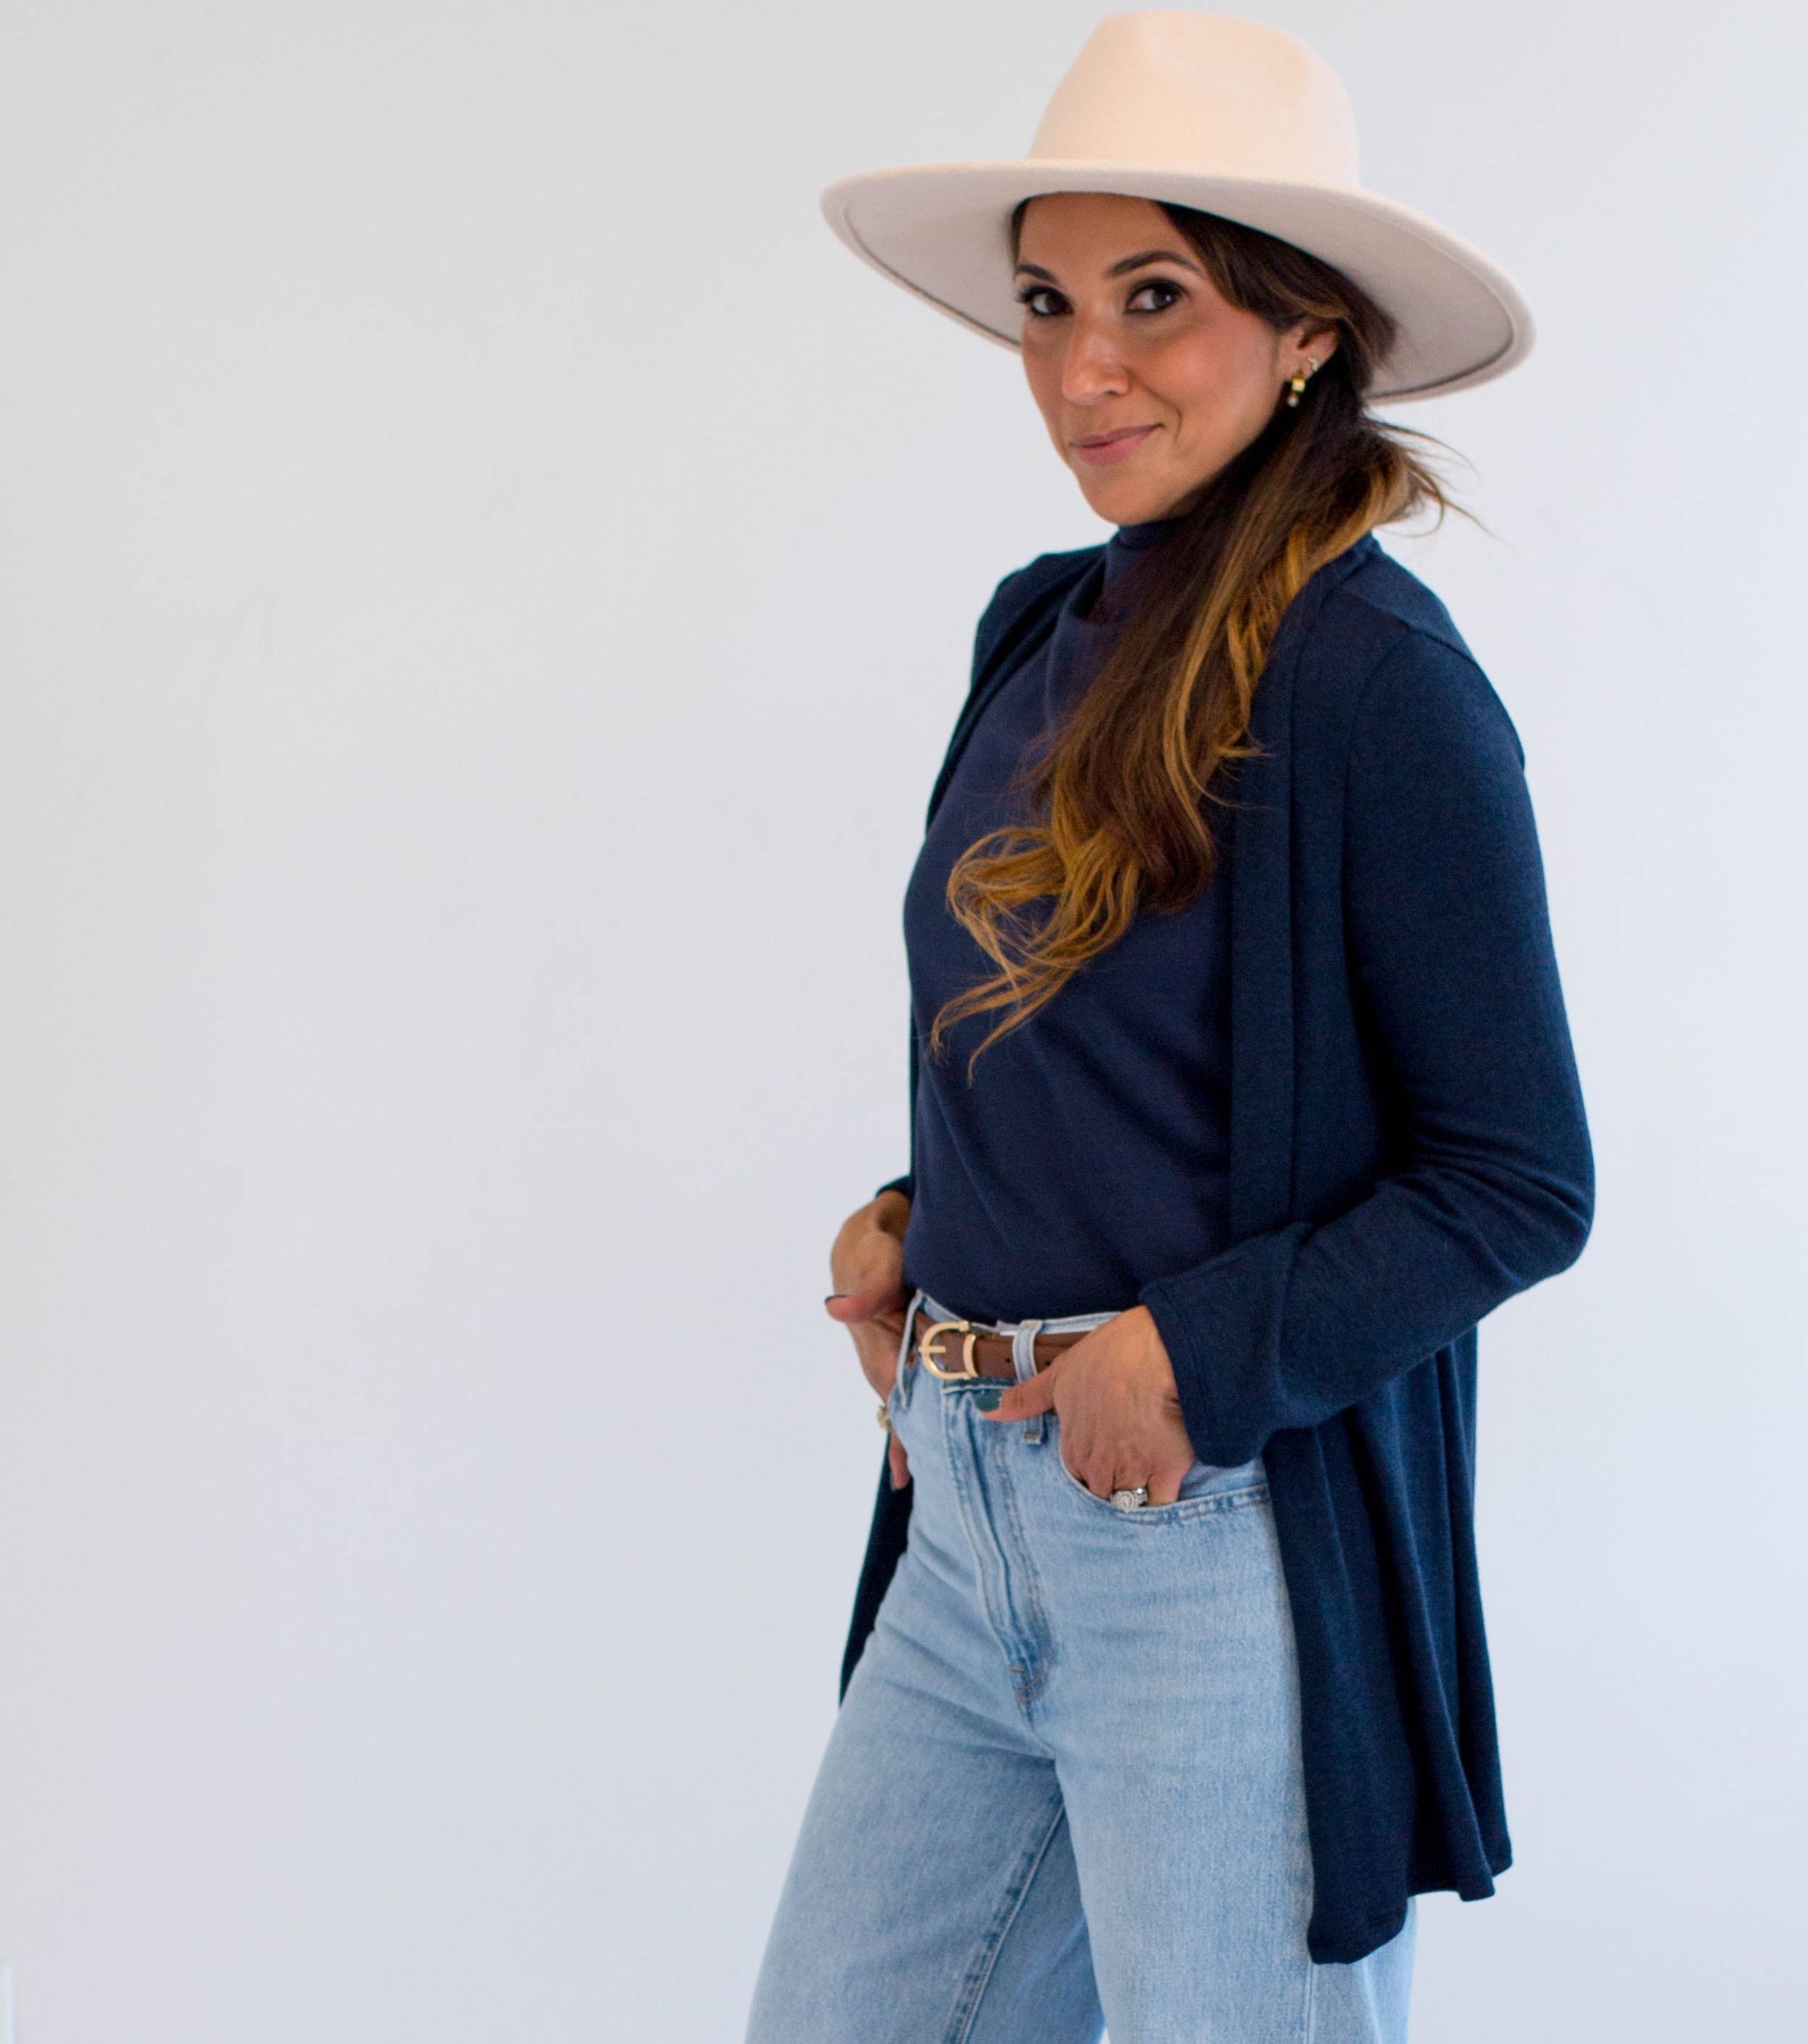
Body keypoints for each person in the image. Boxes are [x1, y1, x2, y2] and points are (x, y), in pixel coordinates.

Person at [745, 14, 1593, 2044]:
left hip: (1203, 1540)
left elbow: (1514, 1180)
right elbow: (1094, 1046)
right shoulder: (1039, 628)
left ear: (1304, 332)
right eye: (1046, 303)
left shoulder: (1374, 678)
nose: (1078, 367)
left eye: (1155, 301)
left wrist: (1191, 1357)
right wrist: (913, 1213)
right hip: (961, 1515)